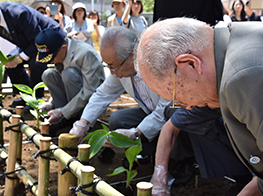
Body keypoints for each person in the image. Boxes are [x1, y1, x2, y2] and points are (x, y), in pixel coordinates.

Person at [137, 17, 263, 195]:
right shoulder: (234, 41)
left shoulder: (241, 80)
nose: (186, 107)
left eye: (177, 99)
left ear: (190, 64)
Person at [69, 27, 170, 161]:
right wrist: (83, 123)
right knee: (118, 119)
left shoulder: (159, 67)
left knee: (174, 118)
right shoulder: (121, 68)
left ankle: (180, 162)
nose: (111, 72)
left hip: (172, 116)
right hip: (150, 112)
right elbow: (102, 94)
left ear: (132, 56)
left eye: (112, 66)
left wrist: (136, 133)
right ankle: (144, 152)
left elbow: (165, 110)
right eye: (108, 66)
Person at [0, 0, 62, 106]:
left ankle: (37, 98)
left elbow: (36, 39)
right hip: (28, 43)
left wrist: (19, 58)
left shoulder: (19, 13)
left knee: (36, 61)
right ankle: (27, 96)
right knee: (8, 61)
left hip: (48, 39)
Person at [152, 106, 253, 195]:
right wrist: (159, 176)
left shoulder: (246, 100)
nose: (180, 102)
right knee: (174, 111)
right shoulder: (199, 103)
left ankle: (247, 181)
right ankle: (243, 181)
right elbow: (169, 128)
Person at [36, 27, 105, 136]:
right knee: (48, 74)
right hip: (73, 97)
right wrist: (51, 104)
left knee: (68, 74)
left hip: (89, 102)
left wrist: (62, 112)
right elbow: (61, 82)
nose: (51, 60)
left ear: (64, 47)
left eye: (52, 57)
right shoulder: (61, 52)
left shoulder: (85, 54)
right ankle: (65, 117)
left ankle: (74, 116)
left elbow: (90, 90)